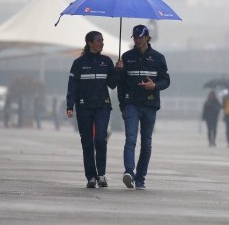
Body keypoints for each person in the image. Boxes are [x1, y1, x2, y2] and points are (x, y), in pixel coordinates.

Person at [115, 24, 170, 190]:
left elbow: (166, 81)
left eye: (140, 37)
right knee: (130, 139)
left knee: (146, 143)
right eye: (135, 37)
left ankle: (140, 179)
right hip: (131, 104)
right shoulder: (126, 57)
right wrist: (122, 105)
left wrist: (154, 86)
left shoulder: (159, 58)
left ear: (147, 37)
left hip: (150, 105)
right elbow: (121, 84)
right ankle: (129, 173)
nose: (137, 40)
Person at [66, 31, 118, 188]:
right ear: (90, 42)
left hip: (102, 106)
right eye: (98, 40)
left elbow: (113, 84)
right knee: (87, 142)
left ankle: (101, 175)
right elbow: (72, 86)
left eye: (102, 40)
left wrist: (118, 70)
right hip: (84, 107)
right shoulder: (79, 63)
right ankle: (91, 177)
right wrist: (70, 105)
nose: (102, 43)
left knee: (100, 139)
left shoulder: (106, 61)